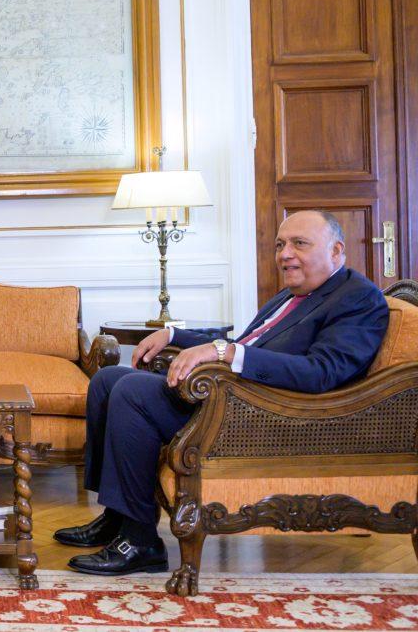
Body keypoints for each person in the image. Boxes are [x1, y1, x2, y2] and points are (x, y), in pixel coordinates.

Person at [55, 210, 389, 576]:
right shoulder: (293, 295)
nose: (285, 254)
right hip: (232, 400)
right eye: (280, 244)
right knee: (107, 380)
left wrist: (224, 353)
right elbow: (245, 343)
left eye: (299, 243)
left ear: (336, 250)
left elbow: (322, 372)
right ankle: (118, 516)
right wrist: (173, 335)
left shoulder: (358, 299)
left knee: (132, 389)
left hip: (264, 417)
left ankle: (140, 541)